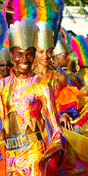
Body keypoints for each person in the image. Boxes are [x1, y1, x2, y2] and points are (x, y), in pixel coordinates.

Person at [0, 12, 63, 176]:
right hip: (8, 156)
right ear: (12, 55)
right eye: (19, 54)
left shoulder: (42, 85)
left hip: (33, 154)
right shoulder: (2, 85)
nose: (25, 59)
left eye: (29, 53)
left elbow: (55, 127)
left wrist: (53, 151)